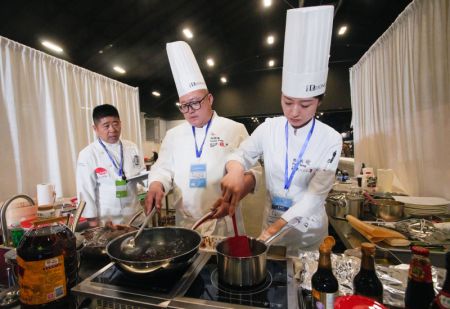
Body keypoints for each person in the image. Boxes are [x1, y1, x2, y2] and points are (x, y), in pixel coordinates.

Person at [220, 6, 342, 251]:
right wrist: (234, 170)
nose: (294, 112)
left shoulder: (331, 139)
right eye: (287, 102)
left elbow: (313, 198)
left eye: (305, 104)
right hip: (271, 223)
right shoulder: (270, 128)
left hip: (308, 236)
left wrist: (271, 232)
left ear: (319, 101)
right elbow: (241, 155)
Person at [145, 41, 260, 236]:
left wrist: (236, 194)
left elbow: (255, 172)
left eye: (195, 103)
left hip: (223, 221)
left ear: (210, 99)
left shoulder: (234, 129)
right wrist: (156, 184)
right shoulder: (173, 136)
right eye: (184, 106)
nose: (190, 111)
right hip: (186, 224)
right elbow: (163, 168)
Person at [76, 104, 145, 226]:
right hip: (108, 221)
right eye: (106, 126)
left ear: (120, 123)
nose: (112, 129)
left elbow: (142, 174)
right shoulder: (88, 154)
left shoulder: (131, 147)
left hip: (135, 216)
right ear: (95, 128)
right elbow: (86, 191)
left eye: (116, 123)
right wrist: (93, 224)